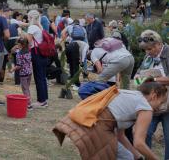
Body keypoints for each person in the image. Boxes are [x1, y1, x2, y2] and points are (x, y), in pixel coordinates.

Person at [54, 80, 168, 160]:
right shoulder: (146, 108)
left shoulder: (130, 95)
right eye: (161, 102)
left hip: (85, 122)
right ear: (154, 95)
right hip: (95, 126)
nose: (160, 107)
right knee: (126, 157)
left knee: (126, 156)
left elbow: (120, 136)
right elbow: (139, 143)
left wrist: (137, 157)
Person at [136, 30, 169, 159]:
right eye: (145, 50)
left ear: (158, 44)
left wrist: (154, 80)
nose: (147, 52)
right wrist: (139, 78)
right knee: (145, 134)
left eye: (149, 49)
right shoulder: (148, 57)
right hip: (151, 103)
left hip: (167, 104)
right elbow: (138, 76)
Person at [27, 10, 49, 107]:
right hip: (43, 53)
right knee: (43, 77)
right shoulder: (40, 27)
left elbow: (28, 41)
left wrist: (20, 33)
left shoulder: (32, 27)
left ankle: (41, 101)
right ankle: (44, 99)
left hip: (36, 53)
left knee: (38, 77)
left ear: (31, 17)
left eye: (28, 17)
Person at [10, 37, 33, 110]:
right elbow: (13, 51)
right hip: (29, 72)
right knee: (27, 88)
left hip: (23, 74)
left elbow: (19, 66)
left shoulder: (19, 54)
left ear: (21, 45)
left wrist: (12, 69)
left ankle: (28, 104)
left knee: (25, 89)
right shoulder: (29, 51)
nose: (17, 45)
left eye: (18, 44)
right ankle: (29, 102)